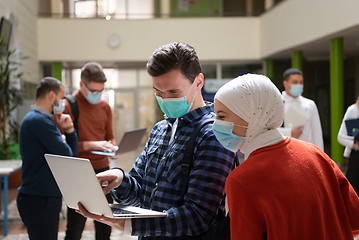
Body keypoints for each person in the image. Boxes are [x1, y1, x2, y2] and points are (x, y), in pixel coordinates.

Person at [76, 42, 236, 239]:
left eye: (173, 92)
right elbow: (141, 192)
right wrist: (119, 179)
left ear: (198, 82)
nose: (165, 99)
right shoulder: (161, 129)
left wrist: (129, 225)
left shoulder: (213, 134)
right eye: (158, 92)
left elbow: (199, 216)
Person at [212, 73, 359, 239]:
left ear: (251, 116)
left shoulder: (242, 180)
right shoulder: (316, 155)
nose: (215, 123)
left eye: (222, 116)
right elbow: (354, 219)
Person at [54, 62, 117, 240]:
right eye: (94, 91)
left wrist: (111, 146)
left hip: (104, 170)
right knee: (75, 228)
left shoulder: (105, 107)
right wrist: (94, 145)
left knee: (105, 226)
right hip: (78, 171)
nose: (97, 95)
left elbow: (110, 136)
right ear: (82, 84)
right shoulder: (67, 106)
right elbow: (62, 145)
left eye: (101, 91)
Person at [17, 77, 78, 240]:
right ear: (52, 96)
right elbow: (69, 155)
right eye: (62, 96)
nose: (63, 102)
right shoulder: (39, 121)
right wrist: (70, 129)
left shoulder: (37, 119)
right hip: (41, 198)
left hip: (39, 196)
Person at [278, 68, 324, 151]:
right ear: (285, 84)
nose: (299, 85)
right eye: (295, 82)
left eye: (301, 82)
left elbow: (317, 133)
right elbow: (270, 131)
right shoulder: (277, 103)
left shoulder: (310, 104)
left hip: (307, 151)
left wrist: (320, 154)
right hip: (285, 150)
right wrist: (290, 132)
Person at [338, 96, 359, 194]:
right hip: (355, 156)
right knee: (353, 192)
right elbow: (340, 137)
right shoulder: (352, 110)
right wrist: (354, 144)